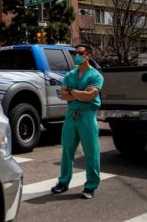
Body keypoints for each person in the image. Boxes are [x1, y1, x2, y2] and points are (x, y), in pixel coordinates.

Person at [51, 44, 104, 199]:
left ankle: (90, 186)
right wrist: (80, 93)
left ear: (88, 55)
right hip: (71, 115)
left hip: (87, 115)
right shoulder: (70, 75)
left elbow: (90, 97)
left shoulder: (96, 76)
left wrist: (72, 91)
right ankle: (63, 182)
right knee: (67, 150)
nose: (76, 56)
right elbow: (63, 95)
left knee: (91, 152)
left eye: (80, 53)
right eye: (75, 53)